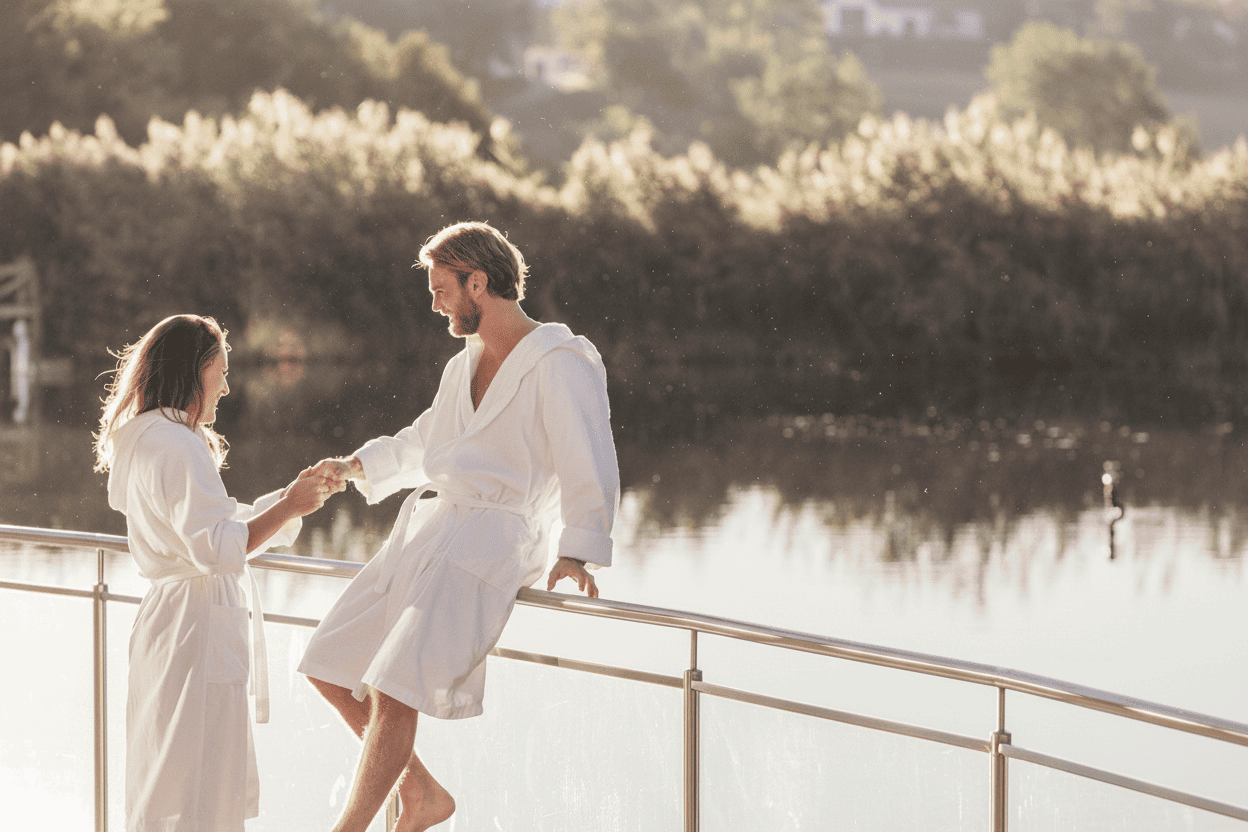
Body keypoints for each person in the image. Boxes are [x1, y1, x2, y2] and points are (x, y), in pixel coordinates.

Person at [298, 221, 620, 832]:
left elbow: (590, 457)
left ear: (479, 281)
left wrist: (578, 549)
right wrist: (357, 464)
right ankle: (420, 796)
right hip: (434, 526)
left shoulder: (560, 362)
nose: (435, 300)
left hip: (495, 536)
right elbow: (426, 440)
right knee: (329, 661)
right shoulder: (464, 365)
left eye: (442, 286)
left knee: (395, 687)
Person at [93, 314, 342, 832]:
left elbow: (206, 525)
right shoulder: (181, 445)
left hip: (167, 622)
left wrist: (287, 501)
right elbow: (218, 548)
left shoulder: (140, 437)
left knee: (165, 771)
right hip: (197, 626)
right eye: (221, 371)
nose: (227, 386)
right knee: (202, 778)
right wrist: (289, 507)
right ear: (195, 369)